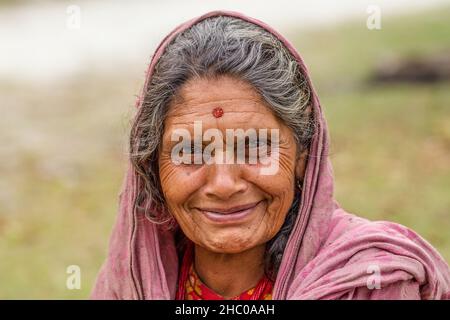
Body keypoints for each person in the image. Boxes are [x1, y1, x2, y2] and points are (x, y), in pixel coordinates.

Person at [91, 11, 450, 300]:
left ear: (303, 157)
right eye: (190, 151)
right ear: (152, 168)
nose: (224, 184)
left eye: (255, 147)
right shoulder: (133, 280)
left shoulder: (370, 282)